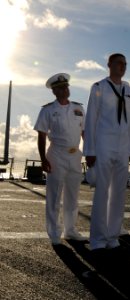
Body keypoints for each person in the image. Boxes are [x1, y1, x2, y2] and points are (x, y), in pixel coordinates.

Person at [83, 53, 130, 251]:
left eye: (125, 63)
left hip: (123, 148)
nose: (122, 66)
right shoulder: (99, 87)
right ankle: (98, 239)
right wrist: (89, 149)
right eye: (118, 63)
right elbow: (91, 120)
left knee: (119, 194)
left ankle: (113, 236)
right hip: (103, 145)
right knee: (102, 193)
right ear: (109, 65)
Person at [34, 73, 86, 245]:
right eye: (62, 87)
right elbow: (41, 135)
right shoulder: (48, 110)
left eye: (67, 86)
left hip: (75, 155)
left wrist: (90, 153)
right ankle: (54, 233)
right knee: (54, 196)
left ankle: (70, 231)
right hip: (56, 155)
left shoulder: (79, 108)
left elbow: (85, 133)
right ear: (54, 91)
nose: (66, 90)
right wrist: (43, 159)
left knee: (73, 196)